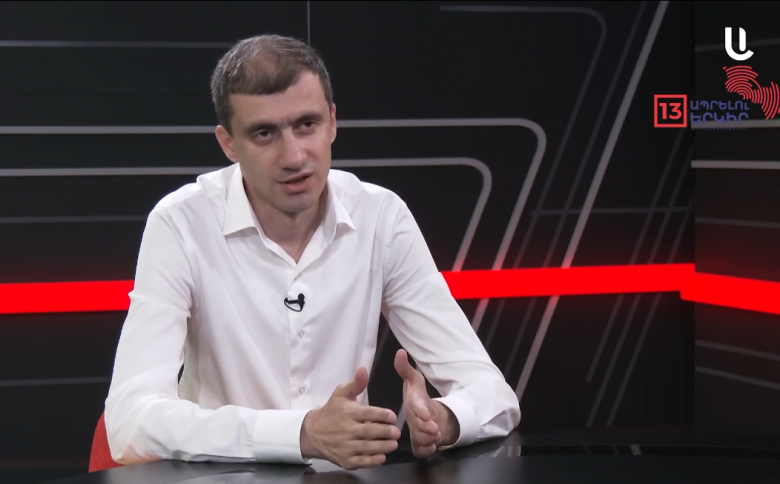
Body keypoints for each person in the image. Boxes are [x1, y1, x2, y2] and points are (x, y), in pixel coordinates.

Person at [104, 34, 520, 471]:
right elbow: (130, 422)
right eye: (264, 133)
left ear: (333, 122)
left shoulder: (381, 217)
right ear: (228, 144)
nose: (294, 156)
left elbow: (494, 394)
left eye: (307, 124)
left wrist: (446, 419)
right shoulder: (181, 223)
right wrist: (301, 433)